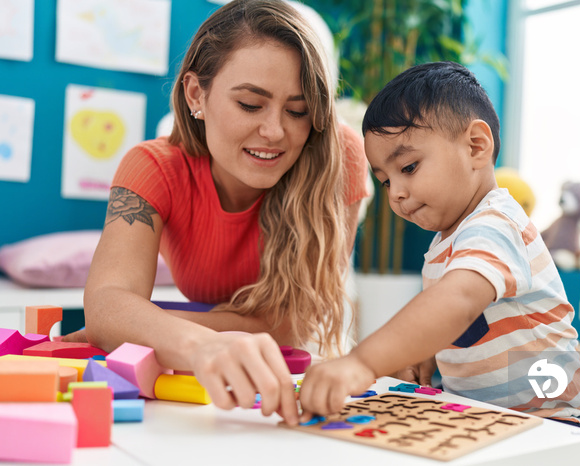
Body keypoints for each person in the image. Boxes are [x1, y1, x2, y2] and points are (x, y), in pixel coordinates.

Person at [64, 0, 370, 425]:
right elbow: (106, 304)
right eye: (250, 104)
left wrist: (147, 321)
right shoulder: (152, 167)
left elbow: (292, 326)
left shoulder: (340, 155)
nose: (275, 131)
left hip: (301, 384)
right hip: (207, 387)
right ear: (196, 94)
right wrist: (202, 344)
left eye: (298, 111)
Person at [299, 61, 580, 432]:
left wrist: (362, 362)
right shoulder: (450, 239)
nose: (396, 192)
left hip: (559, 424)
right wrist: (428, 350)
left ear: (476, 146)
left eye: (408, 167)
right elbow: (470, 318)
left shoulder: (496, 223)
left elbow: (458, 302)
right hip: (494, 422)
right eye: (384, 181)